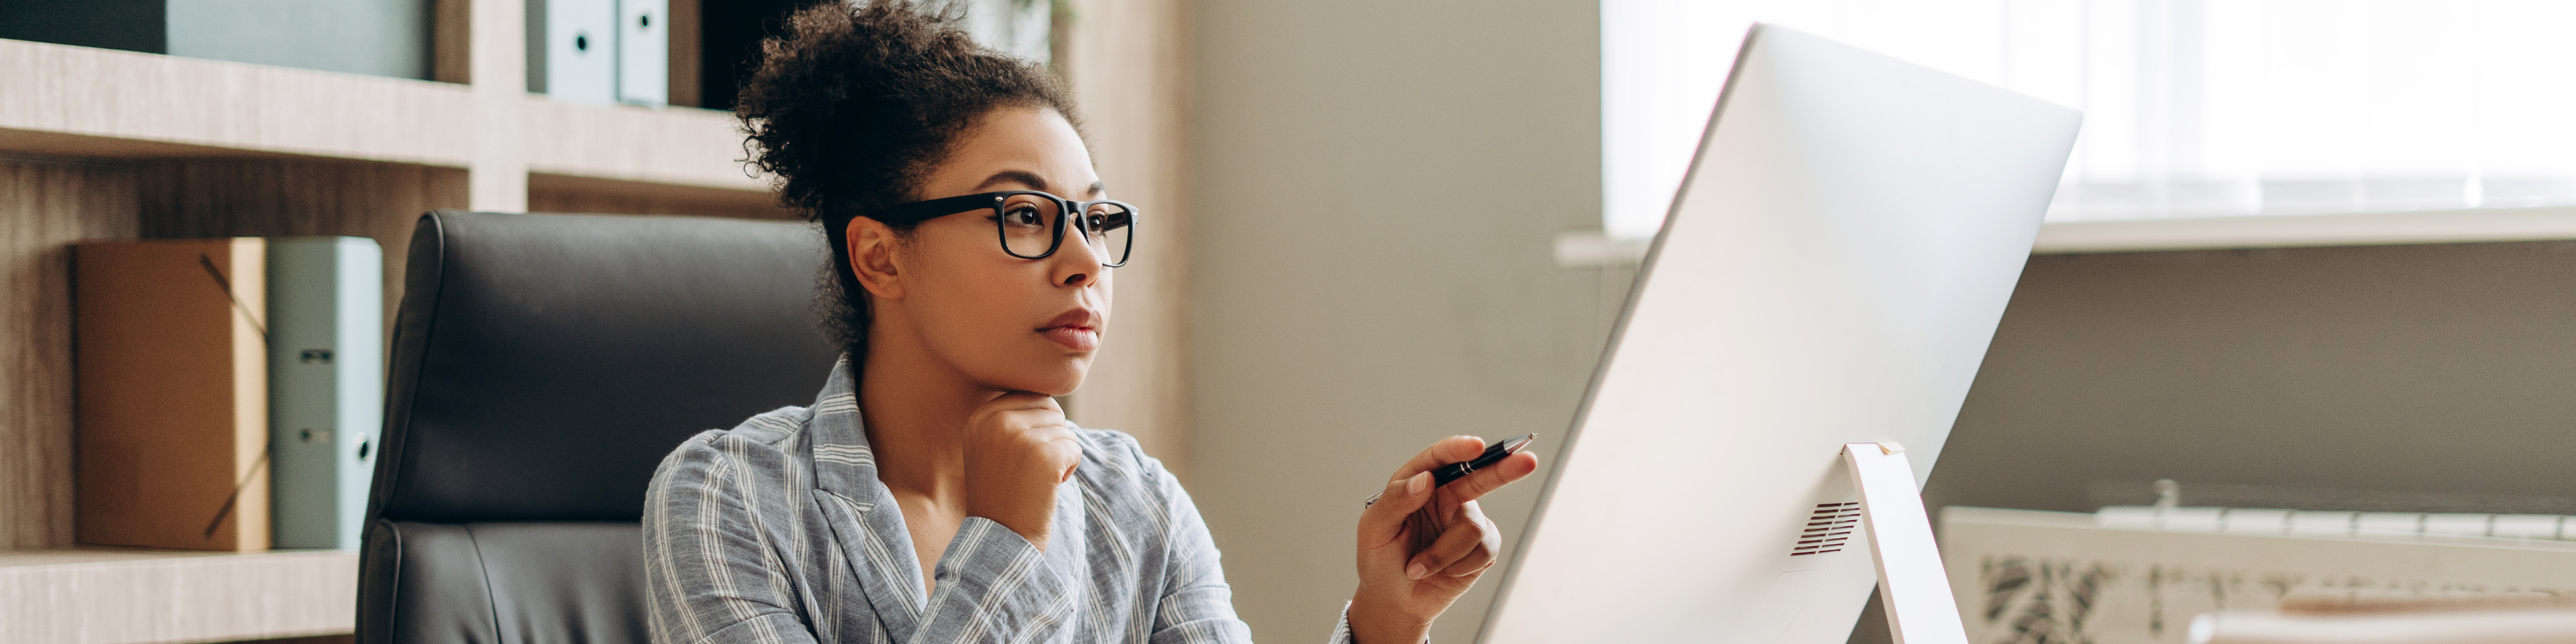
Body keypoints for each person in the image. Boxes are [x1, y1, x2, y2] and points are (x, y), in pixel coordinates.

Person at [639, 3, 1541, 643]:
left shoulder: (1133, 499)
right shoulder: (729, 499)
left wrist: (1384, 624)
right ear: (881, 256)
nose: (1084, 262)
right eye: (1024, 216)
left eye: (1095, 220)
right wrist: (1007, 542)